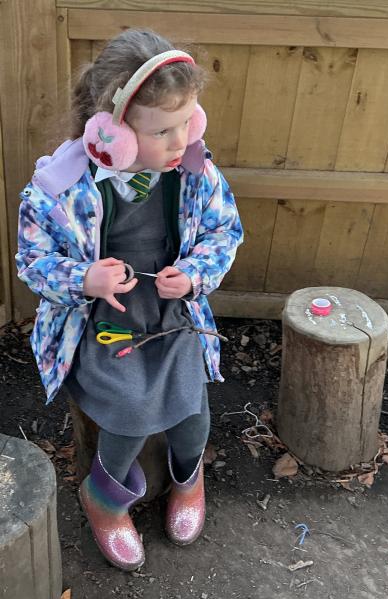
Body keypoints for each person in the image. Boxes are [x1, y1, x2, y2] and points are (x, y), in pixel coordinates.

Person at [16, 29, 243, 571]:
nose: (180, 139)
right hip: (97, 321)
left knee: (193, 411)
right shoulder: (60, 187)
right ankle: (105, 497)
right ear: (111, 133)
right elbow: (32, 260)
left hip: (172, 315)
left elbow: (224, 233)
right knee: (131, 412)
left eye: (187, 121)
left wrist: (193, 275)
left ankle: (189, 479)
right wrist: (84, 278)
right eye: (162, 130)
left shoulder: (196, 172)